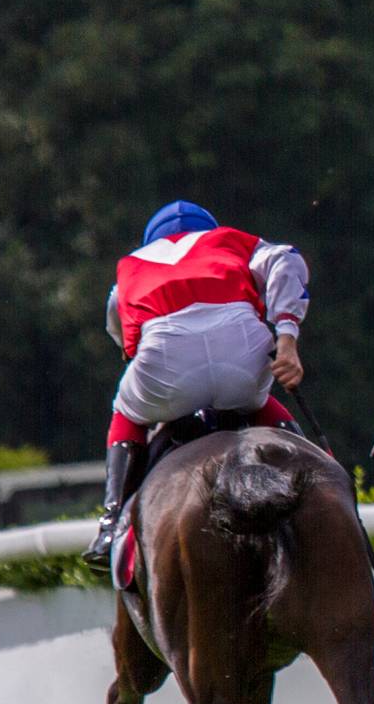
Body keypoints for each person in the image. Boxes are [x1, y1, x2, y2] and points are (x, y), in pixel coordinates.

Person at [83, 201, 312, 565]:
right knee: (257, 400)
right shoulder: (229, 241)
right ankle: (320, 485)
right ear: (208, 230)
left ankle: (109, 524)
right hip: (242, 357)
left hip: (166, 367)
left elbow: (121, 337)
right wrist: (287, 337)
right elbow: (287, 259)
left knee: (125, 410)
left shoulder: (130, 268)